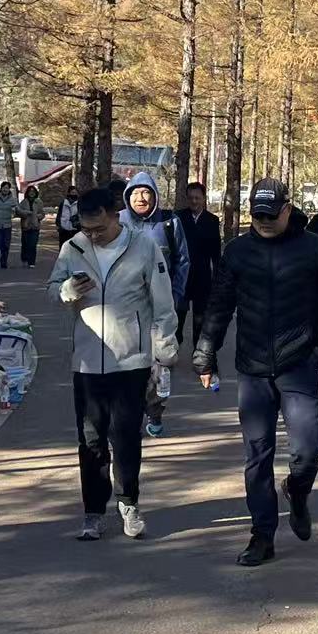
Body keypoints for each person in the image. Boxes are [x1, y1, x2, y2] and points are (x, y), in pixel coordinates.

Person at [193, 177, 318, 568]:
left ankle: (297, 489)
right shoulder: (238, 251)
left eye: (272, 215)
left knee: (308, 450)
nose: (264, 221)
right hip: (253, 369)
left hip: (299, 365)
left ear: (288, 210)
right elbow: (219, 304)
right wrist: (205, 352)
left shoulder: (314, 247)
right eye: (258, 215)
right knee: (257, 456)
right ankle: (262, 535)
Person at [49, 186, 177, 541]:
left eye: (99, 229)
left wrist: (164, 350)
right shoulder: (73, 248)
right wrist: (66, 290)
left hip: (131, 360)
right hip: (87, 361)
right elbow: (52, 288)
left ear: (115, 215)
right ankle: (93, 511)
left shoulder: (144, 247)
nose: (92, 236)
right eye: (86, 229)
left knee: (125, 436)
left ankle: (128, 502)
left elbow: (163, 303)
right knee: (90, 439)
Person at [119, 171, 189, 436]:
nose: (141, 198)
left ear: (155, 196)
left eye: (146, 192)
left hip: (160, 310)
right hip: (126, 310)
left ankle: (155, 411)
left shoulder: (170, 223)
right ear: (128, 197)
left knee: (161, 365)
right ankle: (130, 413)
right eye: (135, 193)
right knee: (127, 364)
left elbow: (183, 261)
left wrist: (176, 295)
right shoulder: (118, 222)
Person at [175, 181, 222, 351]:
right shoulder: (178, 218)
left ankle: (199, 351)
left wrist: (218, 278)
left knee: (200, 318)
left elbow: (216, 253)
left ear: (203, 198)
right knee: (177, 316)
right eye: (191, 198)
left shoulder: (212, 220)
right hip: (181, 276)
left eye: (197, 198)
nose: (194, 201)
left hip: (202, 277)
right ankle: (173, 347)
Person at [15, 184, 46, 268]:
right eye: (30, 191)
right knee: (25, 244)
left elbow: (42, 213)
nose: (31, 193)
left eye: (33, 191)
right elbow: (18, 212)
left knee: (33, 244)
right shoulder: (24, 202)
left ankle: (31, 262)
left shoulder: (39, 202)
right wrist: (26, 213)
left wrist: (39, 216)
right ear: (27, 193)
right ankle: (24, 258)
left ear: (35, 193)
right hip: (26, 226)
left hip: (35, 226)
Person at [0, 179, 17, 270]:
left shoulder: (12, 200)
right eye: (4, 188)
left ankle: (4, 261)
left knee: (6, 244)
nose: (5, 190)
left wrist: (17, 212)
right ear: (1, 188)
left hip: (7, 225)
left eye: (7, 188)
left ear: (9, 189)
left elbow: (17, 209)